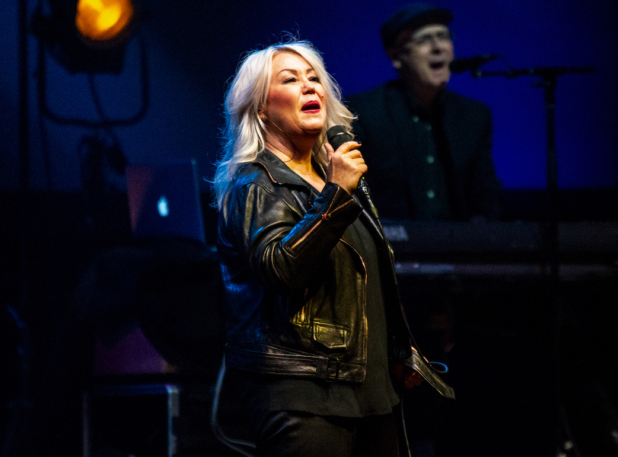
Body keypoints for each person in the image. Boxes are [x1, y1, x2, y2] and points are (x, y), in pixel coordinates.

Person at [210, 39, 452, 457]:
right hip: (303, 396)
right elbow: (281, 269)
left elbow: (359, 284)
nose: (310, 87)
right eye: (290, 80)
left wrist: (390, 349)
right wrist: (337, 194)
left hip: (367, 391)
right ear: (261, 108)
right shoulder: (256, 184)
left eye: (314, 78)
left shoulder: (334, 180)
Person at [346, 3, 502, 222]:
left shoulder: (474, 116)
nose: (438, 47)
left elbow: (485, 200)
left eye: (443, 36)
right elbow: (350, 195)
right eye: (424, 39)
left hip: (457, 243)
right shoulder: (364, 112)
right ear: (396, 56)